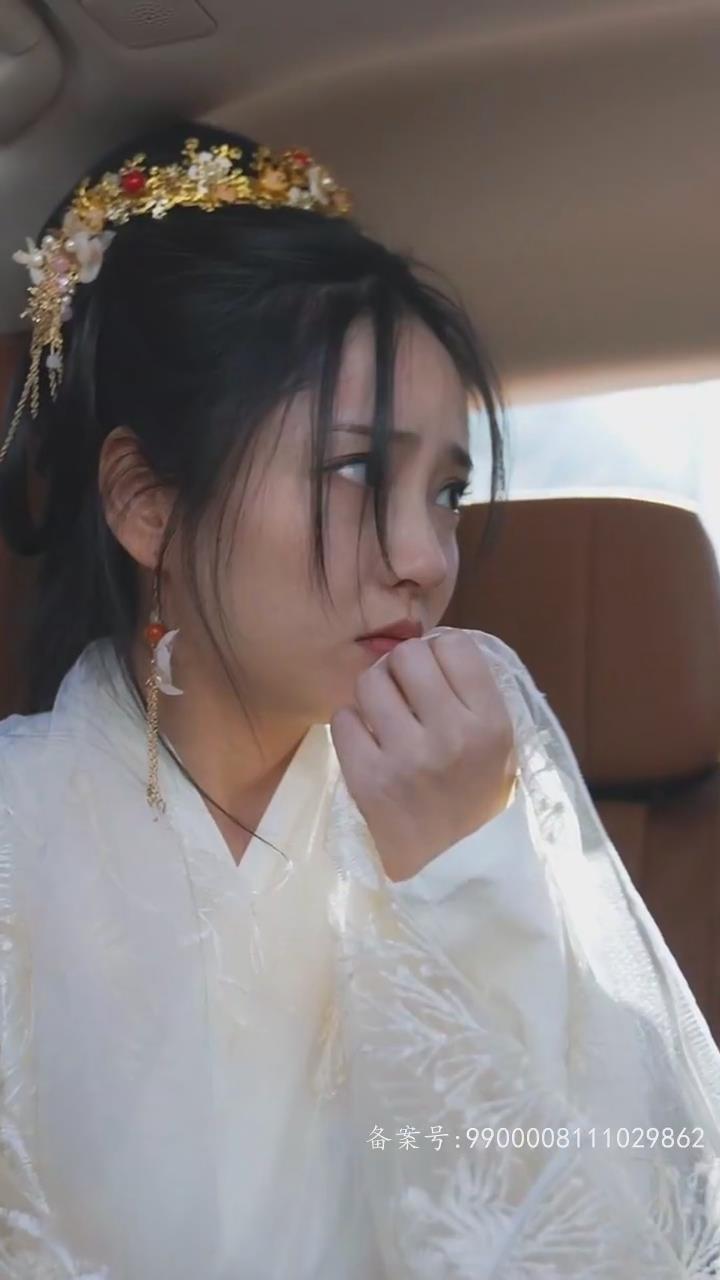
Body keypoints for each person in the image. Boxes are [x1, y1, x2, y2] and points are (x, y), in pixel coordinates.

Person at [0, 120, 717, 1280]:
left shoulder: (482, 813)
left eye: (446, 492)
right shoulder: (16, 829)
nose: (427, 558)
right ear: (147, 505)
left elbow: (630, 1237)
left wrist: (466, 885)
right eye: (355, 471)